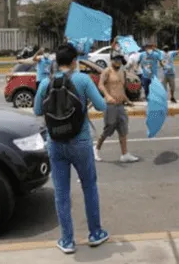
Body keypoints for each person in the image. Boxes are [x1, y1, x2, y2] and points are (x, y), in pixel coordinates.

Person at [33, 43, 110, 254]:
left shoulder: (46, 82)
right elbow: (102, 106)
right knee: (89, 186)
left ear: (57, 62)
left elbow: (38, 109)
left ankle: (67, 241)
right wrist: (85, 105)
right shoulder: (83, 80)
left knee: (61, 193)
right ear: (75, 61)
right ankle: (95, 233)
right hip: (81, 141)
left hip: (56, 143)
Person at [95, 54, 139, 163]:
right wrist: (107, 96)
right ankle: (96, 149)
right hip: (110, 105)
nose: (118, 61)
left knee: (123, 128)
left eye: (120, 60)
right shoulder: (107, 71)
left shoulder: (122, 72)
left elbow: (121, 89)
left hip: (120, 105)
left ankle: (124, 154)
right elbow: (100, 85)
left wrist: (128, 101)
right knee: (108, 129)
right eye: (116, 59)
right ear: (112, 60)